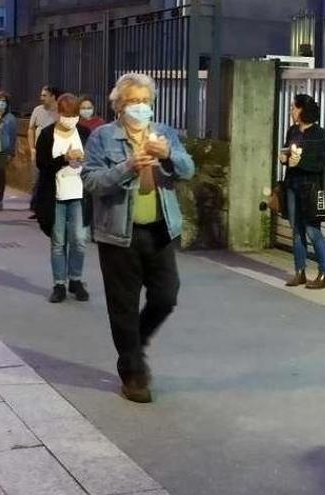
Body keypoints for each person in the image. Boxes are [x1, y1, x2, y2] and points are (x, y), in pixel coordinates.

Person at [83, 73, 195, 403]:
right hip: (119, 234)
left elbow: (188, 169)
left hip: (159, 230)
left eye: (146, 101)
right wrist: (128, 166)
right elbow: (92, 182)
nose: (141, 107)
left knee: (166, 295)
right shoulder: (103, 137)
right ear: (119, 106)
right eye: (133, 101)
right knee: (124, 307)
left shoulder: (165, 134)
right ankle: (132, 372)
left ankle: (136, 342)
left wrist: (168, 156)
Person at [34, 93, 92, 303]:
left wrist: (84, 159)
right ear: (59, 114)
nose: (71, 119)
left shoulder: (84, 133)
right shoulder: (48, 134)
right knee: (58, 242)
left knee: (79, 240)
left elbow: (94, 161)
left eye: (74, 115)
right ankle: (59, 284)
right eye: (67, 115)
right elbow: (42, 165)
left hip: (79, 194)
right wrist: (63, 159)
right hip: (56, 195)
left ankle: (75, 280)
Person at [279, 94, 325, 289]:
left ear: (303, 110)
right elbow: (287, 150)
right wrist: (284, 157)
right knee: (296, 230)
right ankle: (299, 271)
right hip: (293, 185)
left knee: (312, 230)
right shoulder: (292, 131)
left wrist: (300, 162)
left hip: (311, 187)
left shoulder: (318, 134)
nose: (292, 110)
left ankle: (324, 273)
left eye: (294, 107)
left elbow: (322, 163)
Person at [28, 85, 63, 218]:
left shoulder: (60, 111)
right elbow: (30, 129)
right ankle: (37, 207)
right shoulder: (37, 110)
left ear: (53, 96)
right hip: (39, 151)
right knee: (37, 178)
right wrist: (32, 148)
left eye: (44, 95)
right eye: (41, 95)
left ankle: (44, 207)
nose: (41, 98)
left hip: (55, 151)